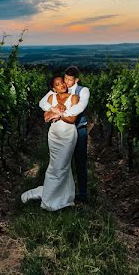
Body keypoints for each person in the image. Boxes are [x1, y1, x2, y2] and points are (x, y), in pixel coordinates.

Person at [21, 75, 79, 210]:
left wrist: (58, 115)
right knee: (57, 165)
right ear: (54, 88)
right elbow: (46, 117)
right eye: (57, 84)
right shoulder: (51, 98)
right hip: (54, 136)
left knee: (60, 167)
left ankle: (49, 200)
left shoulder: (74, 97)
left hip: (68, 136)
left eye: (62, 82)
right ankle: (66, 198)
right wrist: (56, 113)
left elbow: (72, 119)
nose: (62, 85)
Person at [39, 65, 90, 203]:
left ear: (76, 80)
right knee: (61, 163)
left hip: (79, 130)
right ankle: (62, 192)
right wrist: (53, 108)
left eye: (69, 80)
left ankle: (82, 194)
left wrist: (59, 114)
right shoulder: (55, 93)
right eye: (64, 79)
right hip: (58, 134)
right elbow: (43, 102)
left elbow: (80, 107)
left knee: (80, 162)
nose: (65, 83)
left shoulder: (83, 91)